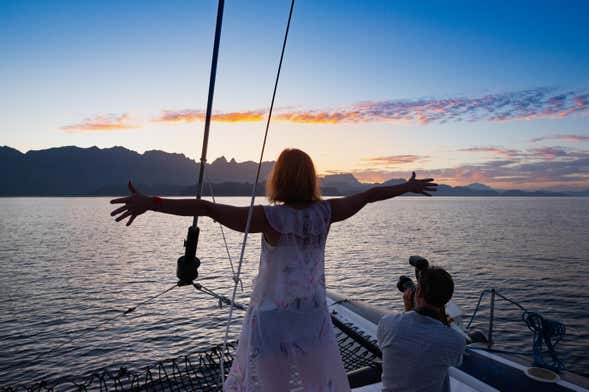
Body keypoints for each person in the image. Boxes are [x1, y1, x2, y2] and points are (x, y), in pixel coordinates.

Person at [110, 148, 437, 391]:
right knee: (318, 384)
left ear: (278, 179)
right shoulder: (327, 212)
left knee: (273, 386)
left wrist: (152, 203)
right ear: (312, 178)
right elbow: (371, 195)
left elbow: (206, 207)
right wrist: (406, 187)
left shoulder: (269, 218)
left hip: (272, 318)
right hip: (311, 316)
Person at [377, 266, 465, 392]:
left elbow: (397, 347)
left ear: (418, 292)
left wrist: (409, 309)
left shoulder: (387, 322)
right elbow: (453, 359)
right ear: (448, 299)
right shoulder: (455, 341)